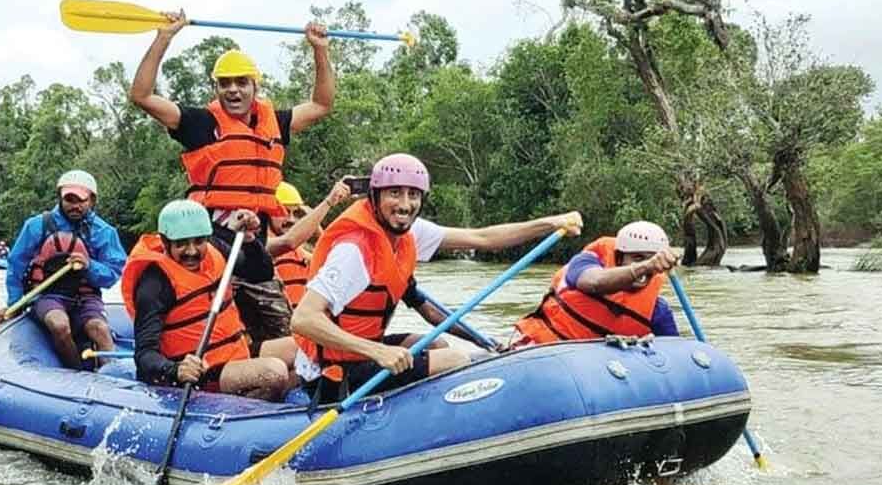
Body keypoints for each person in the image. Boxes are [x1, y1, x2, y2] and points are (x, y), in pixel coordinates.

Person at [291, 153, 583, 403]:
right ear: (375, 197)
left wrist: (551, 223)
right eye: (395, 193)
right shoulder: (354, 250)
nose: (405, 204)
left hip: (359, 354)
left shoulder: (407, 232)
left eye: (413, 194)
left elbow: (482, 238)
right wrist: (378, 351)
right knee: (454, 360)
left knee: (437, 346)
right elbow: (303, 319)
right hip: (330, 372)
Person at [129, 9, 335, 350]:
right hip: (210, 240)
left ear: (256, 86)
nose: (234, 91)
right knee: (220, 313)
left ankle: (270, 365)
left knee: (280, 327)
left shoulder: (276, 122)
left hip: (252, 245)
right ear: (216, 88)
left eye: (242, 83)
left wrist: (319, 49)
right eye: (225, 84)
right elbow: (142, 96)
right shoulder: (199, 124)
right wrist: (164, 37)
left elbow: (322, 104)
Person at [121, 200, 290, 402]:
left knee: (303, 347)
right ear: (165, 242)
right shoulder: (154, 284)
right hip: (202, 370)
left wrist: (250, 241)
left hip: (235, 352)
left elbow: (261, 272)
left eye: (198, 242)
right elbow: (144, 355)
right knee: (274, 372)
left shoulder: (214, 250)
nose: (192, 251)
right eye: (181, 244)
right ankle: (243, 414)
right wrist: (175, 370)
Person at [0, 170, 127, 369]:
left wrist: (89, 265)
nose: (75, 205)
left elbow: (112, 274)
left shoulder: (104, 232)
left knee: (99, 328)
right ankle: (76, 371)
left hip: (86, 297)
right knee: (60, 325)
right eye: (69, 199)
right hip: (48, 295)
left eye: (81, 200)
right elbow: (16, 264)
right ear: (60, 198)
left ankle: (113, 376)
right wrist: (14, 304)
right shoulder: (36, 226)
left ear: (92, 200)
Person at [512, 221, 680, 346]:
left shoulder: (657, 310)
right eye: (637, 258)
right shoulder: (586, 262)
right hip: (540, 347)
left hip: (595, 372)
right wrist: (645, 266)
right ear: (619, 257)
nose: (645, 267)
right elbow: (594, 282)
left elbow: (675, 354)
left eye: (651, 259)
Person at [267, 180, 351, 308]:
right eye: (284, 212)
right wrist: (328, 202)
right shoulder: (259, 245)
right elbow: (289, 241)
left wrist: (316, 227)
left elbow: (328, 258)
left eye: (295, 213)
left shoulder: (299, 251)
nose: (291, 219)